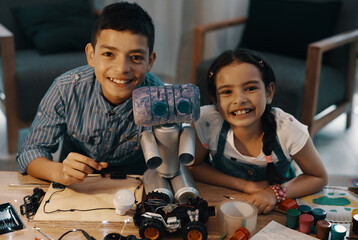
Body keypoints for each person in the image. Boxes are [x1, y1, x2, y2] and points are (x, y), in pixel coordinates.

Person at [16, 2, 163, 185]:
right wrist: (58, 171)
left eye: (135, 57)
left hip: (137, 181)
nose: (122, 69)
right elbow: (30, 151)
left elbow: (173, 159)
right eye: (109, 54)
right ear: (91, 55)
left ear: (150, 61)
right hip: (77, 182)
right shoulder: (66, 89)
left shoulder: (160, 98)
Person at [190, 48, 327, 214]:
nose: (239, 100)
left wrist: (274, 193)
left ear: (269, 92)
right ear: (215, 101)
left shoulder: (288, 129)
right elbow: (193, 166)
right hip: (226, 203)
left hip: (282, 208)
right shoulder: (206, 121)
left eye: (250, 88)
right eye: (227, 92)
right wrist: (247, 186)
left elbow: (319, 177)